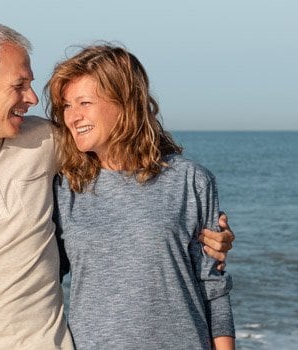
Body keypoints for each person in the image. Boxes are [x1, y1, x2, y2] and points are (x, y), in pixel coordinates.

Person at [0, 23, 234, 349]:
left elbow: (125, 158)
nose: (32, 98)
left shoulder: (46, 141)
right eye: (19, 85)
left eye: (31, 85)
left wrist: (209, 235)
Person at [48, 44, 235, 349]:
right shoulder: (64, 188)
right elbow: (40, 276)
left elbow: (214, 286)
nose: (72, 117)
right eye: (67, 106)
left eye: (84, 102)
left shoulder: (190, 180)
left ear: (125, 102)